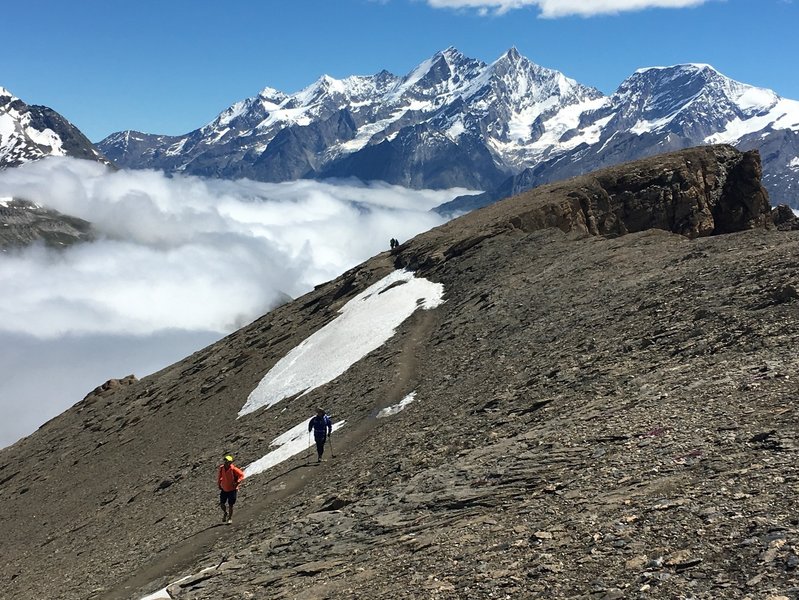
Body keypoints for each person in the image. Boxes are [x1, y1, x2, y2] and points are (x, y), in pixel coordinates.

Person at [217, 454, 245, 524]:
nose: (226, 462)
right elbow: (219, 477)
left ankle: (229, 518)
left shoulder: (233, 469)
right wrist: (219, 484)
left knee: (230, 504)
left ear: (230, 462)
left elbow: (241, 475)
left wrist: (238, 482)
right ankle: (225, 513)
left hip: (232, 489)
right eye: (225, 461)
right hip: (224, 488)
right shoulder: (222, 468)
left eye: (228, 461)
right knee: (222, 503)